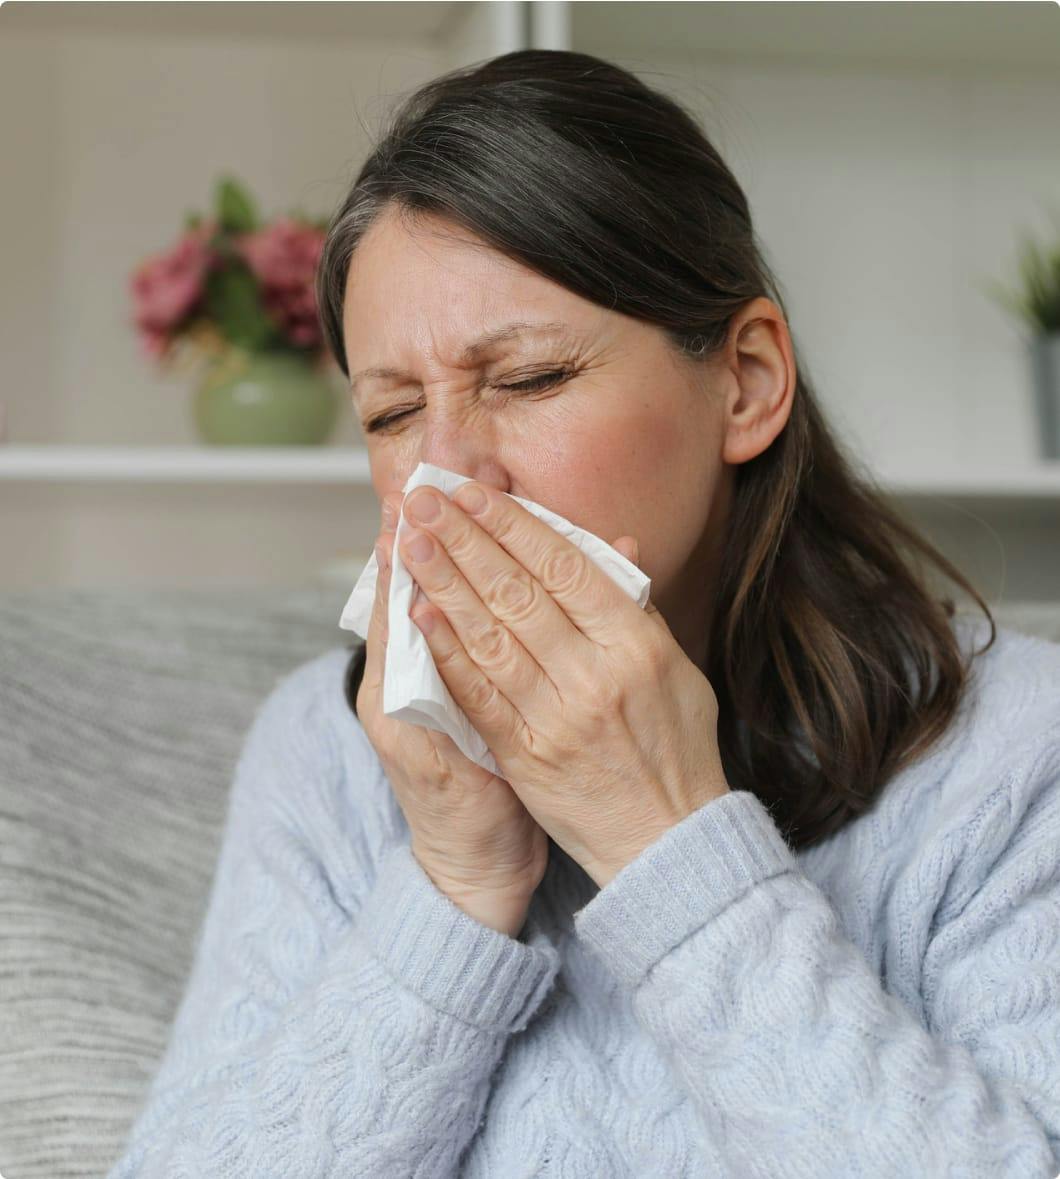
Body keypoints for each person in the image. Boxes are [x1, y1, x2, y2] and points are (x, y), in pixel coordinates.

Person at [108, 50, 1060, 1177]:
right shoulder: (323, 754)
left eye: (529, 380)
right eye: (395, 412)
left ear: (745, 382)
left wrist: (664, 844)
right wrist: (453, 885)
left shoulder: (1012, 750)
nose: (453, 475)